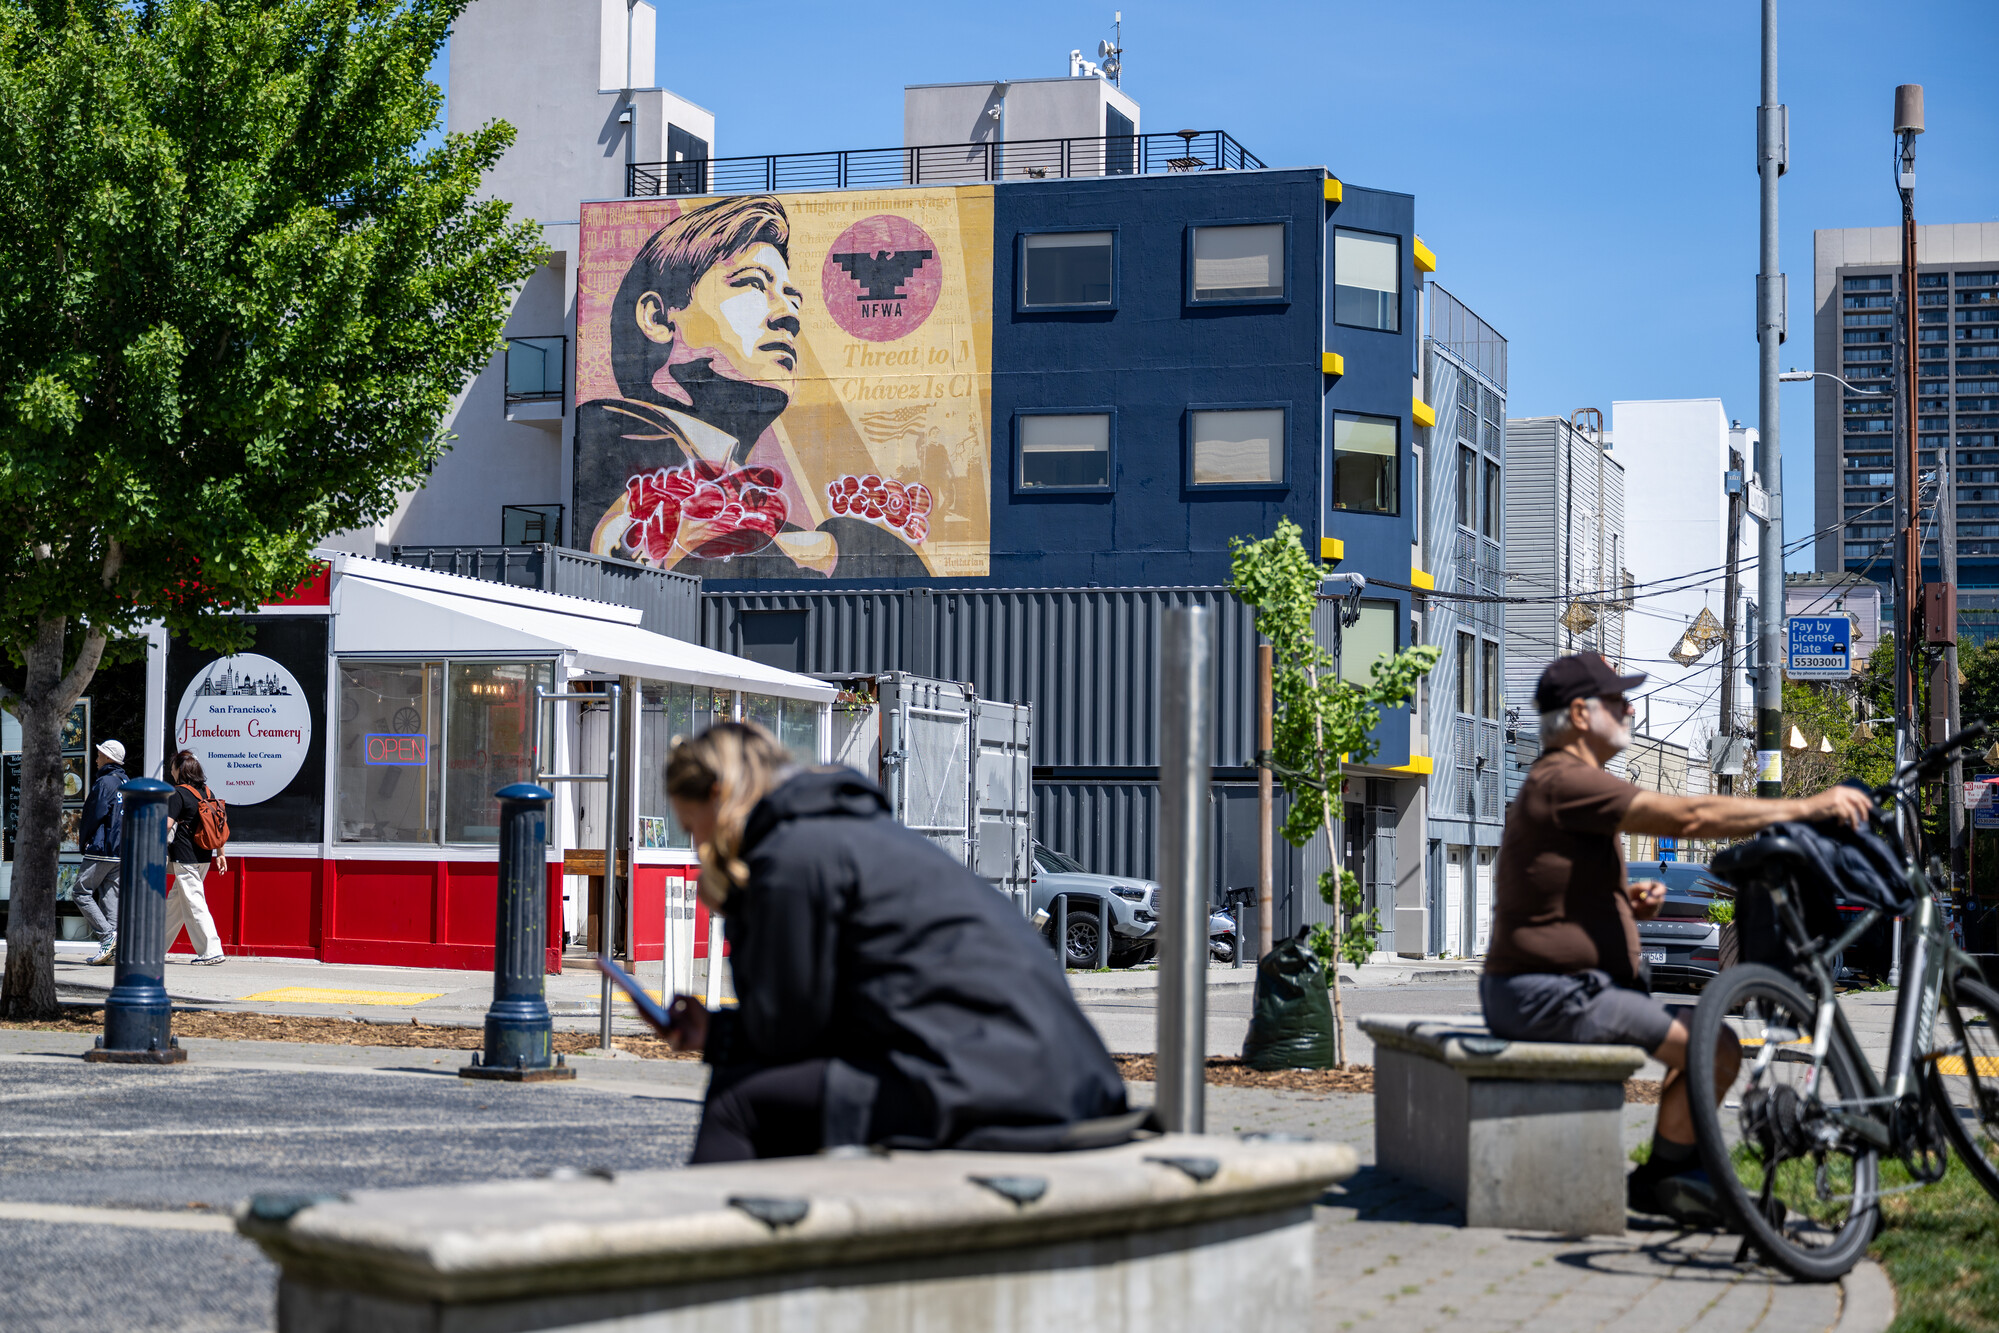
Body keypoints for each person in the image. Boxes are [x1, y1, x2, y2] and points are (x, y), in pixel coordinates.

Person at [1484, 652, 1873, 1227]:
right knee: (1712, 1047)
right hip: (1552, 994)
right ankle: (1670, 1178)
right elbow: (1687, 815)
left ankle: (1670, 1174)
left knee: (1711, 1041)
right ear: (1579, 714)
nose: (1630, 708)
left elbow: (1543, 891)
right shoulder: (1565, 780)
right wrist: (1806, 808)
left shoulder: (1563, 785)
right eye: (1617, 700)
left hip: (1565, 987)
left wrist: (1623, 904)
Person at [656, 722, 1130, 1161]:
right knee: (782, 1088)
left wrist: (737, 910)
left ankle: (713, 1244)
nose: (696, 843)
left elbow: (786, 1037)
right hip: (1064, 1075)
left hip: (999, 1086)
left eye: (690, 824)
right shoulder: (853, 834)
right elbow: (822, 1019)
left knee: (738, 1098)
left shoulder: (792, 857)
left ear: (719, 797)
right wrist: (716, 1032)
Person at [574, 193, 924, 580]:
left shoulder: (746, 501)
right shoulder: (617, 432)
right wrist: (829, 547)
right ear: (658, 317)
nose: (789, 315)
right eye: (755, 285)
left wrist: (828, 544)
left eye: (793, 298)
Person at [165, 751, 227, 965]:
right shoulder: (207, 791)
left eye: (173, 767)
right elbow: (218, 824)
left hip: (185, 857)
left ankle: (212, 949)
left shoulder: (178, 793)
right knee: (174, 905)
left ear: (180, 770)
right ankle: (153, 948)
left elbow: (166, 825)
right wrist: (220, 853)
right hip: (204, 856)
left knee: (194, 903)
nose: (170, 771)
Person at [75, 740, 127, 965]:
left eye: (99, 755)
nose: (96, 759)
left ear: (108, 757)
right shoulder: (126, 781)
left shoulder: (104, 782)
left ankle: (107, 937)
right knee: (109, 897)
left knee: (80, 892)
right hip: (121, 849)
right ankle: (114, 952)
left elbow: (93, 814)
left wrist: (84, 841)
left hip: (102, 847)